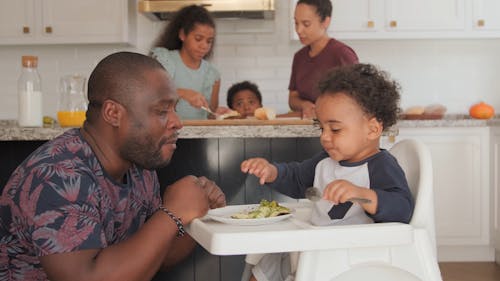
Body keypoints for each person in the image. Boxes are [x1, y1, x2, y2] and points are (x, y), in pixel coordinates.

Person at [0, 52, 226, 281]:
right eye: (161, 111)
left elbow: (155, 258)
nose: (177, 122)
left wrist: (196, 213)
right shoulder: (58, 176)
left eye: (174, 109)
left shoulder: (139, 168)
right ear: (113, 113)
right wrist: (173, 212)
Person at [240, 63, 414, 281]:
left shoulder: (382, 166)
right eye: (321, 128)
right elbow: (296, 178)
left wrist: (360, 194)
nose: (324, 137)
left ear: (372, 129)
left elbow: (402, 208)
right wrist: (271, 171)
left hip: (351, 256)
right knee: (266, 263)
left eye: (335, 129)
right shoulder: (326, 161)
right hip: (314, 244)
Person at [151, 4, 229, 120]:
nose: (204, 46)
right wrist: (182, 93)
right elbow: (151, 95)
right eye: (198, 39)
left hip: (199, 136)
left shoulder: (212, 75)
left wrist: (219, 114)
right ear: (182, 35)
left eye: (209, 41)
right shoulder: (165, 60)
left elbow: (210, 115)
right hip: (166, 134)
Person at [289, 0, 358, 119]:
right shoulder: (299, 57)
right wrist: (304, 105)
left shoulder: (342, 53)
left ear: (326, 21)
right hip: (306, 129)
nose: (299, 30)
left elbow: (357, 99)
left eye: (306, 24)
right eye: (296, 23)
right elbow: (292, 99)